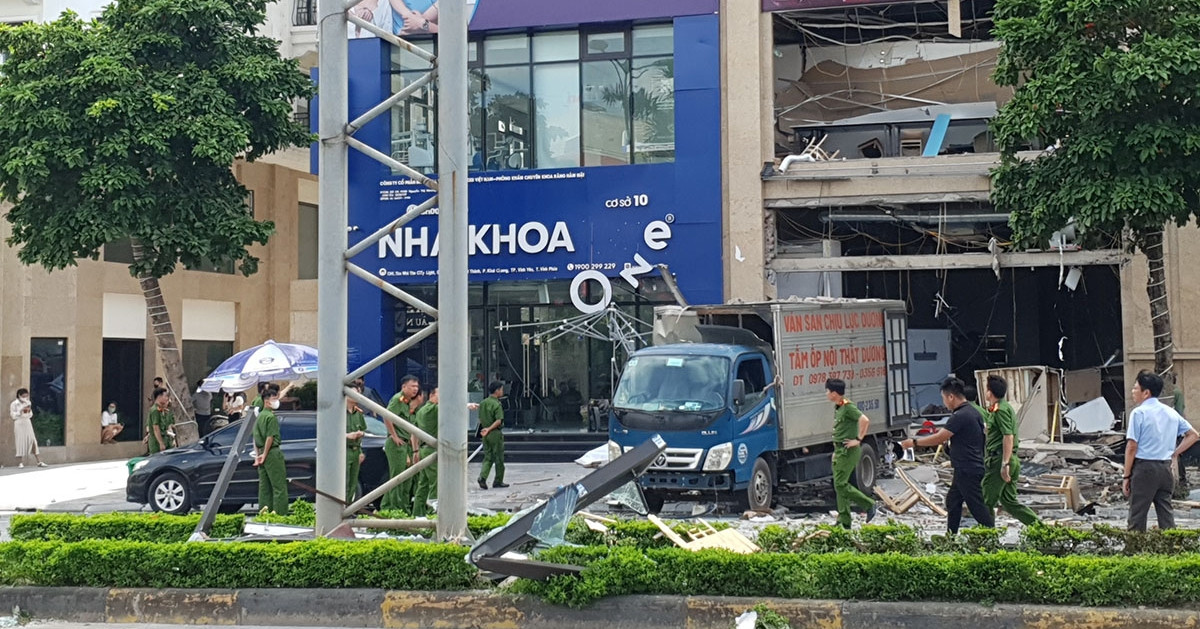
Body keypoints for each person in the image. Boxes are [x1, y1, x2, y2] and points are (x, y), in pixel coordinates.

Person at [901, 377, 994, 534]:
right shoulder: (972, 412)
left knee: (976, 506)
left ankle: (992, 535)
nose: (944, 403)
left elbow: (940, 437)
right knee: (953, 501)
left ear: (951, 397)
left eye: (944, 398)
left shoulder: (960, 416)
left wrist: (914, 443)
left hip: (967, 467)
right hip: (966, 466)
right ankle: (951, 536)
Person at [1124, 370, 1200, 531]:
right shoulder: (1170, 412)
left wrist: (1126, 476)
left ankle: (1133, 551)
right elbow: (1193, 435)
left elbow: (1131, 447)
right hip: (1166, 469)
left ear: (1146, 393)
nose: (1133, 391)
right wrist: (1175, 453)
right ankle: (1172, 549)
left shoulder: (1138, 413)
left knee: (1137, 514)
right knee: (1166, 514)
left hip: (1144, 468)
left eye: (1135, 388)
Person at [980, 375, 1040, 526]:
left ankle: (986, 537)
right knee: (1008, 502)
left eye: (986, 389)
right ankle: (1040, 528)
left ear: (990, 392)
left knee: (986, 500)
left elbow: (1008, 436)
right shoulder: (1000, 408)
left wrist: (1004, 464)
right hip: (1008, 459)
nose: (985, 392)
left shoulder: (1001, 410)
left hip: (1000, 459)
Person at [825, 379, 877, 528]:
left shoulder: (848, 407)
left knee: (840, 484)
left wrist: (858, 439)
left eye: (827, 391)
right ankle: (844, 520)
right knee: (840, 485)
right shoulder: (839, 407)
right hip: (840, 450)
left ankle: (868, 505)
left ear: (834, 393)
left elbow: (864, 420)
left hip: (848, 450)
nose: (826, 394)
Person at [383, 375, 422, 512]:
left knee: (407, 478)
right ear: (404, 387)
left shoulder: (408, 403)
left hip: (407, 445)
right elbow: (387, 416)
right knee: (397, 477)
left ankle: (403, 507)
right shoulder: (397, 400)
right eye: (412, 386)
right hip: (397, 444)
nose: (415, 389)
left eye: (417, 387)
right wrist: (394, 436)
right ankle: (393, 508)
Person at [253, 386, 289, 515]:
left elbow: (255, 438)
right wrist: (265, 454)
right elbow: (270, 437)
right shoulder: (270, 417)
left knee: (264, 487)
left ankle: (264, 513)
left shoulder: (260, 417)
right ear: (267, 401)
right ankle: (280, 514)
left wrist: (258, 456)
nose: (276, 401)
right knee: (279, 486)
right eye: (274, 399)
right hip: (272, 453)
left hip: (262, 452)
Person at [411, 386, 439, 518]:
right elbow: (451, 407)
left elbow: (414, 433)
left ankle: (417, 513)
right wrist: (467, 405)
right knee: (435, 483)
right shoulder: (432, 409)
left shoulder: (421, 411)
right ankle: (433, 513)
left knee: (423, 484)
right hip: (431, 449)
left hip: (422, 450)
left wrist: (415, 450)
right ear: (432, 395)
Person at [478, 381, 509, 489]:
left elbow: (480, 418)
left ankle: (482, 477)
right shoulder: (496, 404)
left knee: (488, 457)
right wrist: (490, 428)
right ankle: (498, 480)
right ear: (497, 391)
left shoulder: (483, 403)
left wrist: (485, 429)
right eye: (501, 389)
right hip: (494, 433)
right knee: (499, 458)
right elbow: (499, 420)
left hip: (484, 433)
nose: (502, 391)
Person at [10, 388, 46, 467]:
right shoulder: (14, 404)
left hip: (27, 422)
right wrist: (20, 411)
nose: (25, 398)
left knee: (33, 440)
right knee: (20, 441)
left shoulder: (28, 402)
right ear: (19, 396)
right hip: (19, 423)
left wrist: (28, 411)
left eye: (26, 396)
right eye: (23, 396)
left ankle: (39, 461)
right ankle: (20, 462)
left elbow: (31, 414)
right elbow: (13, 415)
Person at [345, 384, 368, 501]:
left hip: (355, 450)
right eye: (354, 393)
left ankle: (348, 508)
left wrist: (360, 451)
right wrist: (347, 436)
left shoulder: (358, 413)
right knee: (344, 481)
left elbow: (363, 430)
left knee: (353, 483)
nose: (357, 396)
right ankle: (340, 510)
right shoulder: (339, 413)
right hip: (344, 450)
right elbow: (331, 433)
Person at [147, 388, 175, 455]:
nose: (167, 398)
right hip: (157, 442)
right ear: (159, 396)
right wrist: (161, 443)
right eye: (165, 396)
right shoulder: (155, 410)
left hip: (166, 440)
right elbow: (156, 428)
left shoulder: (163, 410)